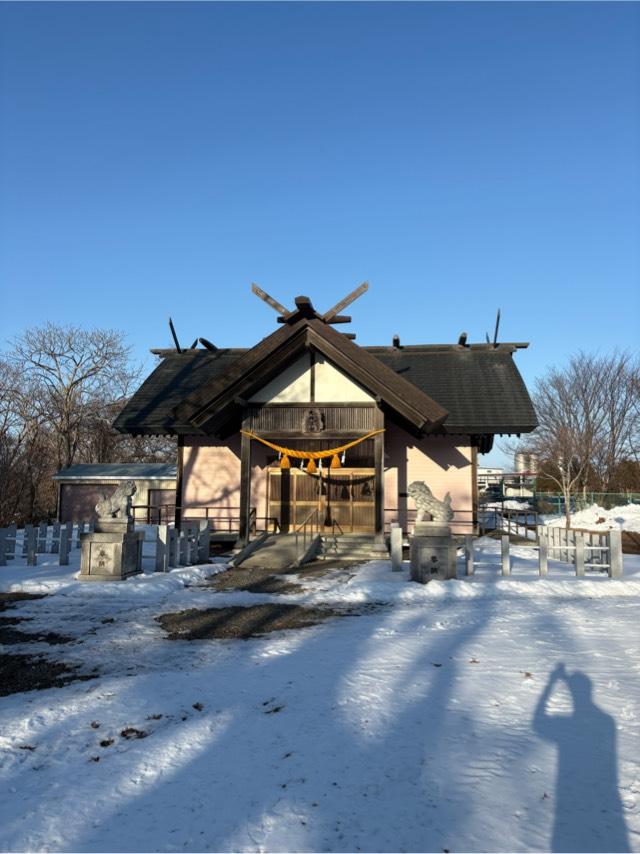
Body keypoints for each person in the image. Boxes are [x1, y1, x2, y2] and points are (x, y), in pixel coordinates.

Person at [533, 663, 630, 852]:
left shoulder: (567, 724)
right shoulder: (606, 721)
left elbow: (538, 722)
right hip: (607, 798)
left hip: (572, 802)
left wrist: (551, 683)